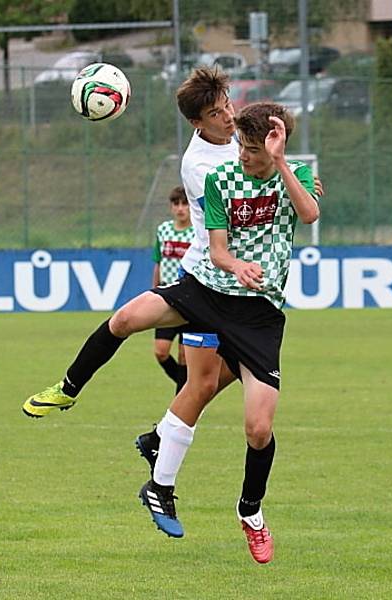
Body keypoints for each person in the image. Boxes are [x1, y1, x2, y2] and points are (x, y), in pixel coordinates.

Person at [137, 102, 319, 564]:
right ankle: (159, 480)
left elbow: (310, 214)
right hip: (211, 292)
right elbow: (217, 249)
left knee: (259, 428)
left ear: (274, 147)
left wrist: (282, 164)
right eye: (240, 143)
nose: (242, 154)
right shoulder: (216, 176)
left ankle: (250, 511)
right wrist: (236, 266)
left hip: (260, 318)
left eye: (253, 148)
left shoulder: (287, 173)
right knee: (196, 382)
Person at [22, 67, 239, 422]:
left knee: (213, 381)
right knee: (124, 320)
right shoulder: (198, 165)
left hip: (241, 283)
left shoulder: (243, 134)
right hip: (204, 276)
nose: (228, 116)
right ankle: (67, 389)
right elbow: (232, 214)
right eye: (216, 113)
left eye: (227, 105)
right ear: (196, 123)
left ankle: (162, 435)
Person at [151, 185, 194, 393]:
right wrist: (154, 290)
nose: (180, 208)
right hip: (167, 298)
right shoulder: (163, 230)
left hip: (190, 300)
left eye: (185, 204)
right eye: (176, 204)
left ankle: (181, 403)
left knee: (185, 355)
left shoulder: (198, 232)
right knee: (160, 352)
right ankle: (188, 388)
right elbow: (158, 262)